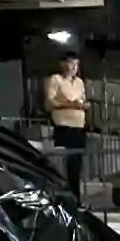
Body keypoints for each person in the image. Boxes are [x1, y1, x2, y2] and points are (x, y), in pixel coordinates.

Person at [44, 52, 89, 196]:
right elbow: (50, 102)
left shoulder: (79, 82)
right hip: (64, 126)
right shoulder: (55, 80)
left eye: (77, 64)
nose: (74, 67)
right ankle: (64, 196)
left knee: (77, 165)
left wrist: (83, 106)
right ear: (63, 64)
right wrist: (70, 104)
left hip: (79, 126)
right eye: (71, 63)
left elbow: (83, 100)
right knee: (65, 164)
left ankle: (76, 196)